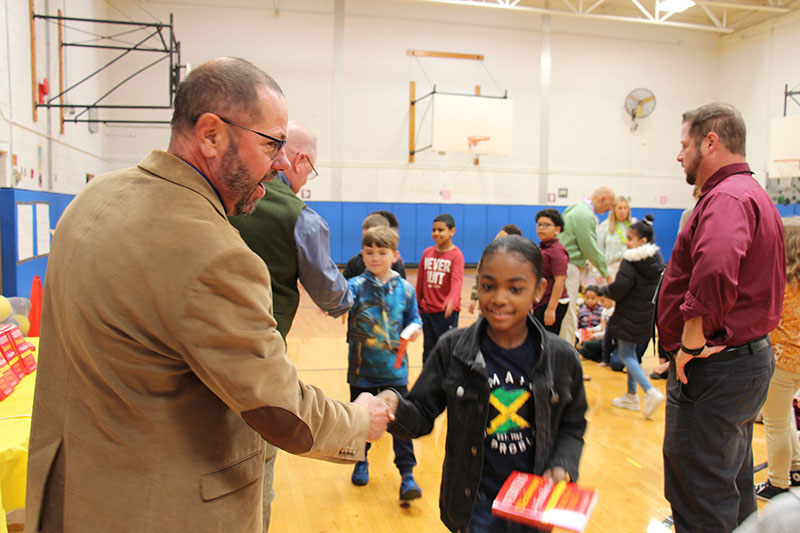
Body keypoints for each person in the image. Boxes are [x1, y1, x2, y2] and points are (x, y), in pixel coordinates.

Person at [24, 58, 392, 533]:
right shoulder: (215, 254)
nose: (282, 163)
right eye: (271, 144)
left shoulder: (93, 199)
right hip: (160, 507)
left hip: (73, 494)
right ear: (212, 134)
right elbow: (279, 410)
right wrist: (359, 420)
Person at [380, 235, 587, 532]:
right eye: (489, 286)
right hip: (473, 503)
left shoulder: (562, 357)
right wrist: (394, 406)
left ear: (539, 291)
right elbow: (422, 415)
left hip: (532, 505)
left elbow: (573, 424)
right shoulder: (453, 349)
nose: (499, 298)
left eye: (515, 288)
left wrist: (562, 464)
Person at [657, 102, 786, 533]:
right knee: (731, 481)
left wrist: (690, 339)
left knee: (699, 492)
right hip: (742, 360)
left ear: (710, 142)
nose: (679, 155)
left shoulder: (727, 197)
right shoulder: (752, 193)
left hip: (715, 365)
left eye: (684, 144)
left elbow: (714, 268)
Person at [229, 120, 352, 341]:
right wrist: (350, 296)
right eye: (311, 171)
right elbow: (328, 292)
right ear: (300, 161)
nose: (305, 181)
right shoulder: (303, 219)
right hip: (260, 339)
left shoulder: (226, 185)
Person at [345, 226, 423, 500]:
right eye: (369, 252)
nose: (375, 257)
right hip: (361, 371)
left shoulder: (405, 289)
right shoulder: (353, 287)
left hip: (395, 371)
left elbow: (415, 319)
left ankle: (407, 475)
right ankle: (360, 461)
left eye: (382, 252)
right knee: (362, 421)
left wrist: (413, 330)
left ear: (395, 256)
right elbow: (337, 304)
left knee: (400, 424)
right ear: (362, 255)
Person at [754, 217, 800, 500]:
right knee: (785, 419)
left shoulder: (778, 281)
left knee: (776, 422)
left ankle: (778, 482)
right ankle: (795, 466)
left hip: (781, 360)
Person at [605, 215, 666, 419]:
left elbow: (620, 288)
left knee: (626, 356)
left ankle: (650, 391)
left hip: (629, 312)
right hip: (645, 314)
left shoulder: (630, 260)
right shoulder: (655, 261)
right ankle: (631, 396)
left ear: (642, 241)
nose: (626, 242)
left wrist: (604, 290)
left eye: (630, 238)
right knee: (630, 353)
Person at [558, 186, 615, 345]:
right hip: (569, 267)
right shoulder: (584, 214)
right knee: (568, 313)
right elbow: (590, 246)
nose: (609, 210)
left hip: (563, 267)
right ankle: (568, 356)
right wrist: (606, 273)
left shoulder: (575, 208)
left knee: (564, 312)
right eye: (610, 205)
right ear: (602, 199)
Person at [416, 213, 465, 363]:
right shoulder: (427, 253)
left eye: (441, 230)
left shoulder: (456, 255)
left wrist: (452, 300)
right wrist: (418, 305)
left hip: (446, 313)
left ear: (452, 231)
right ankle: (427, 384)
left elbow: (457, 281)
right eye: (434, 230)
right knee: (428, 351)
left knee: (446, 351)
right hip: (428, 311)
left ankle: (446, 384)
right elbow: (421, 281)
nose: (436, 233)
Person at [468, 224, 522, 314]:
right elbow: (479, 278)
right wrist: (474, 299)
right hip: (487, 307)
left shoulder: (520, 263)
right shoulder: (487, 257)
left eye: (502, 240)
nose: (497, 242)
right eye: (497, 238)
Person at [533, 210, 569, 335]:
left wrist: (551, 309)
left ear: (557, 229)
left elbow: (560, 281)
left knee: (547, 341)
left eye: (547, 225)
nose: (541, 228)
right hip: (542, 301)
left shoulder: (557, 251)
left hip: (552, 302)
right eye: (539, 224)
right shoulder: (543, 248)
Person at [343, 212, 407, 280]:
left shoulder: (397, 266)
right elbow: (344, 287)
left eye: (382, 253)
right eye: (365, 237)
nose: (375, 258)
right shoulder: (354, 263)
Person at [597, 196, 636, 279]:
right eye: (620, 208)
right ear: (614, 209)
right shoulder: (605, 226)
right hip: (610, 269)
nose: (623, 211)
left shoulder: (634, 225)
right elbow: (599, 250)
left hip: (630, 269)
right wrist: (598, 272)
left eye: (625, 208)